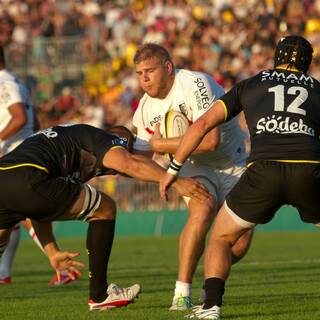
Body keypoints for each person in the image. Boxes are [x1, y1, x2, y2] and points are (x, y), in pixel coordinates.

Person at [160, 35, 317, 319]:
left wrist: (173, 169)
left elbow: (203, 124)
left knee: (220, 238)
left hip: (264, 171)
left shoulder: (252, 83)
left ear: (276, 56)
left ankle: (210, 308)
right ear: (308, 62)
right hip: (308, 168)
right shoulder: (317, 89)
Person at [0, 123, 210, 310]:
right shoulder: (103, 139)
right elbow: (128, 163)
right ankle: (100, 294)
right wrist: (176, 181)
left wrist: (52, 251)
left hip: (7, 176)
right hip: (28, 176)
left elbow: (38, 207)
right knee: (105, 207)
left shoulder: (68, 148)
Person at [132, 43, 253, 310]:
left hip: (232, 163)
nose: (144, 79)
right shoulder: (143, 109)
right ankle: (181, 293)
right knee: (202, 210)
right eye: (139, 73)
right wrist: (172, 179)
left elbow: (210, 140)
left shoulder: (195, 83)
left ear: (168, 67)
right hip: (194, 167)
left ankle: (211, 274)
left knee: (241, 240)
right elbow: (138, 162)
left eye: (149, 71)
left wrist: (159, 146)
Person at [0, 45, 78, 287]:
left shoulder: (4, 83)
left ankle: (61, 268)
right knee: (13, 218)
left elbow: (20, 117)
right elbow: (31, 121)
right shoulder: (15, 82)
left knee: (19, 215)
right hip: (22, 156)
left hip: (15, 159)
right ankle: (4, 272)